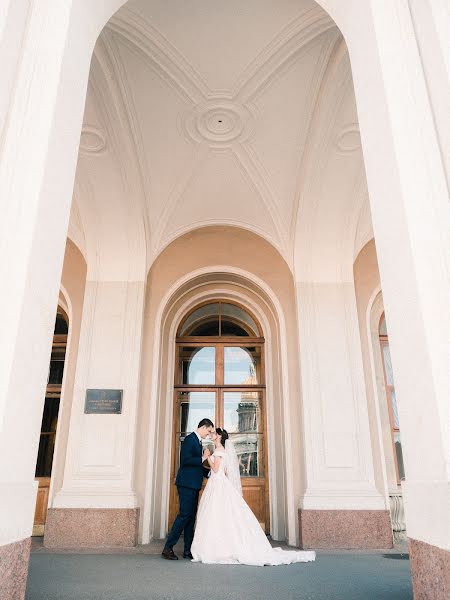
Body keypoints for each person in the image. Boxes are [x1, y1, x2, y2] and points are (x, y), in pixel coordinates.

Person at [191, 428, 316, 566]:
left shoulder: (219, 450)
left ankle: (217, 548)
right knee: (218, 514)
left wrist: (207, 456)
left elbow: (215, 469)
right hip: (217, 483)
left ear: (219, 436)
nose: (212, 435)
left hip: (218, 483)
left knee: (217, 513)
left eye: (214, 433)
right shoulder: (220, 449)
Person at [161, 418, 214, 560]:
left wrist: (210, 473)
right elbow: (185, 461)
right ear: (203, 427)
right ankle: (168, 548)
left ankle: (187, 550)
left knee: (190, 518)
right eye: (209, 431)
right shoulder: (190, 439)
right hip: (186, 484)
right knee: (184, 515)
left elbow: (196, 465)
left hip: (193, 484)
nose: (209, 435)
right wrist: (203, 457)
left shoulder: (198, 441)